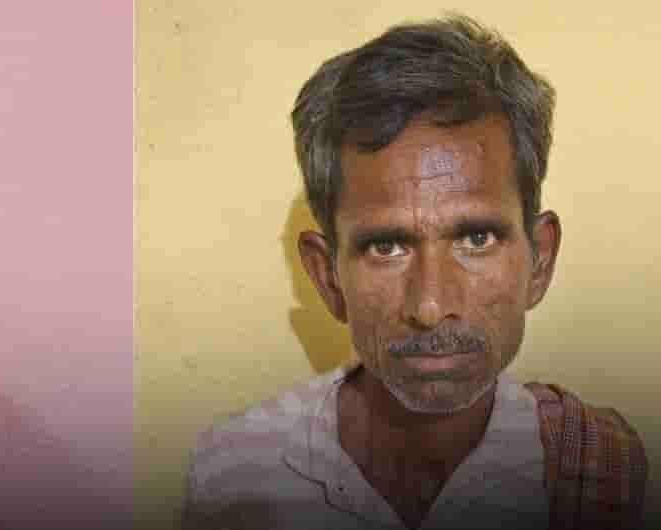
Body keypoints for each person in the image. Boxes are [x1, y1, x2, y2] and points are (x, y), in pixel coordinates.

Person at [185, 14, 646, 530]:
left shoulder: (600, 469)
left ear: (539, 260)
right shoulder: (236, 474)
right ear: (327, 277)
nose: (430, 307)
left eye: (476, 239)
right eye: (386, 247)